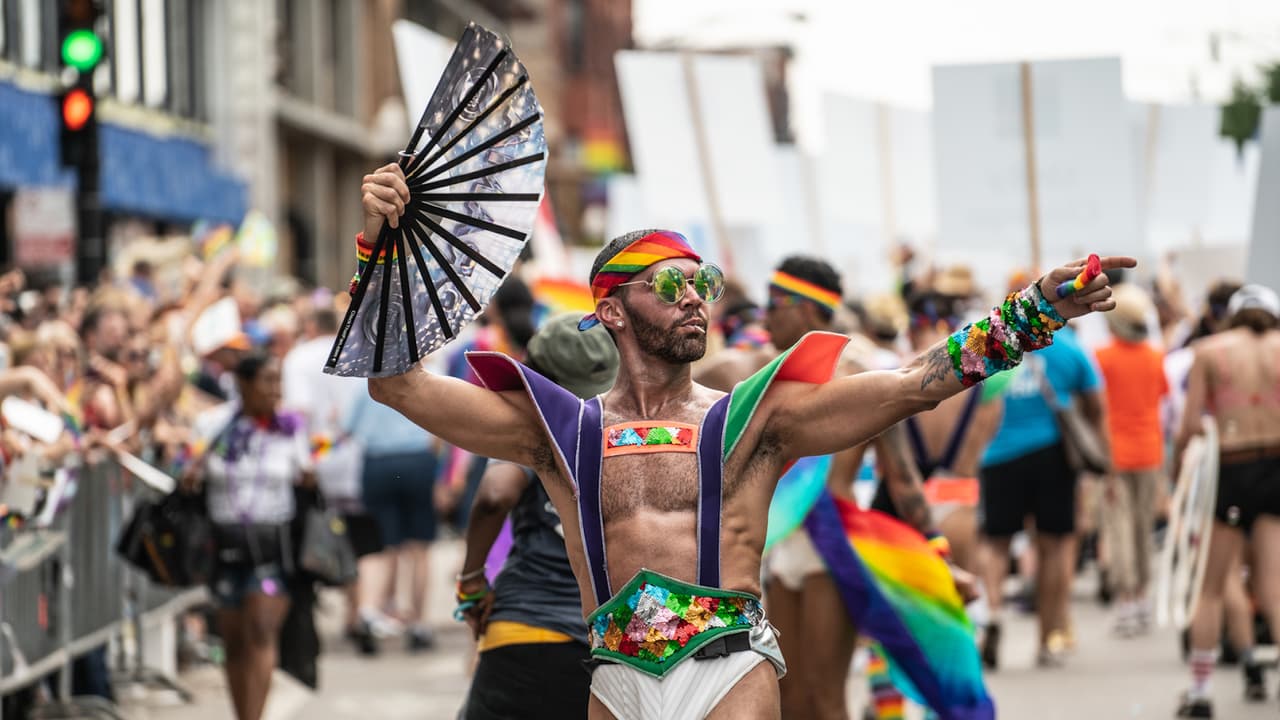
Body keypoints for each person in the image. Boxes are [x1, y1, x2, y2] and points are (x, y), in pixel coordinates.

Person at [355, 161, 1130, 719]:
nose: (694, 297)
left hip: (729, 674)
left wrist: (1036, 311)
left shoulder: (755, 420)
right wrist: (379, 250)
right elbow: (395, 384)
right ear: (612, 311)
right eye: (669, 284)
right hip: (612, 678)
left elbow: (914, 382)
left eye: (704, 282)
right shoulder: (563, 433)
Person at [698, 256, 943, 720]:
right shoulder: (757, 372)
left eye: (775, 303)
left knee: (826, 696)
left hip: (830, 549)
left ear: (808, 309)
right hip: (774, 549)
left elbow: (903, 476)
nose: (765, 315)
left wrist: (937, 548)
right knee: (788, 699)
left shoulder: (860, 377)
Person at [457, 313, 620, 720]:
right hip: (613, 642)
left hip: (526, 628)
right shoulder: (635, 434)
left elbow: (496, 494)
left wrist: (472, 580)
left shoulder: (535, 425)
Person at [975, 286, 1107, 670]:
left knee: (995, 544)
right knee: (1054, 547)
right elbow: (1096, 404)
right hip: (1051, 455)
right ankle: (1048, 638)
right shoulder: (1068, 349)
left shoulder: (990, 343)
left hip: (997, 456)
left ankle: (993, 615)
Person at [188, 351, 315, 720]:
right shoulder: (212, 425)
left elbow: (305, 471)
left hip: (271, 546)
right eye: (267, 381)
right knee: (234, 639)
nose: (276, 391)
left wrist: (312, 477)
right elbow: (187, 463)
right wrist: (189, 470)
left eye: (279, 381)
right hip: (224, 545)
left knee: (261, 631)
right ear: (243, 384)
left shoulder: (290, 427)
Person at [1176, 285, 1280, 719]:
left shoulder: (1208, 351)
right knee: (1274, 584)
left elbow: (1189, 426)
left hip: (1231, 469)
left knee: (1213, 585)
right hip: (1276, 464)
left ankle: (1200, 692)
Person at [1094, 284, 1168, 637]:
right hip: (1150, 451)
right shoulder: (1155, 356)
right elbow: (1161, 401)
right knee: (1142, 527)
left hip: (1114, 454)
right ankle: (1142, 599)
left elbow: (1096, 408)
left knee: (1118, 528)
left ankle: (1126, 601)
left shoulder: (1102, 358)